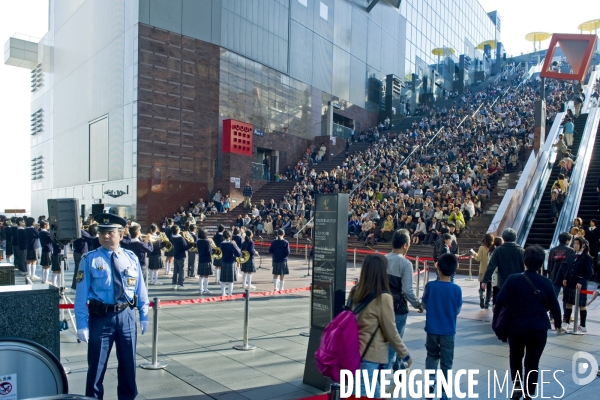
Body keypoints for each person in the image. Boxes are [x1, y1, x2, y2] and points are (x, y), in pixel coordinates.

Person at [74, 213, 149, 400]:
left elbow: (140, 288)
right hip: (101, 317)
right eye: (102, 232)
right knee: (96, 368)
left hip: (126, 316)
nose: (105, 236)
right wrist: (82, 323)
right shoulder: (89, 259)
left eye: (110, 232)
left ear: (121, 234)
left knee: (128, 365)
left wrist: (144, 313)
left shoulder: (131, 258)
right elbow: (81, 295)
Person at [495, 245, 562, 400]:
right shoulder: (545, 282)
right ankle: (528, 391)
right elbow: (554, 305)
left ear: (524, 261)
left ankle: (517, 387)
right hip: (538, 327)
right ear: (541, 263)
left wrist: (498, 317)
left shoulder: (513, 279)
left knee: (516, 357)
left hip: (516, 326)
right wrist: (557, 322)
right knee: (533, 360)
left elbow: (499, 300)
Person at [348, 254, 412, 396]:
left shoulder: (355, 291)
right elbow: (391, 331)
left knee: (360, 392)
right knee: (369, 393)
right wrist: (405, 354)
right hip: (369, 354)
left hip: (352, 352)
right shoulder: (383, 298)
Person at [422, 253, 462, 400]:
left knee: (432, 356)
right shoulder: (457, 290)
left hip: (431, 330)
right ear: (455, 269)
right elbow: (457, 310)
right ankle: (444, 393)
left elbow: (425, 304)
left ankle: (430, 386)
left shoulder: (430, 286)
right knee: (446, 362)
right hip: (448, 332)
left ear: (438, 268)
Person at [386, 229, 423, 372]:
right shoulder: (406, 263)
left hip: (382, 306)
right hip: (398, 307)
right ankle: (397, 367)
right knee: (396, 341)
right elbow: (408, 290)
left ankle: (393, 366)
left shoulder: (384, 259)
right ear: (405, 245)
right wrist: (417, 304)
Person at [561, 237, 594, 333]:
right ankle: (566, 323)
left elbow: (589, 273)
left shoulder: (587, 257)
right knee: (568, 303)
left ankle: (583, 325)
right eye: (574, 243)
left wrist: (581, 281)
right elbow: (568, 268)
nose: (574, 245)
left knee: (581, 305)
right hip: (570, 283)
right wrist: (565, 278)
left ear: (583, 245)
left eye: (577, 244)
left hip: (580, 285)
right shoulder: (572, 255)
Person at [482, 228, 524, 297]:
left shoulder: (498, 250)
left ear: (503, 237)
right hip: (517, 282)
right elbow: (524, 267)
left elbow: (491, 266)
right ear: (515, 237)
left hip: (502, 282)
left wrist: (485, 280)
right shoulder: (521, 250)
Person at [473, 233, 494, 309]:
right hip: (491, 271)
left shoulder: (481, 248)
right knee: (489, 287)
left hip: (482, 270)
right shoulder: (493, 247)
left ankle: (482, 296)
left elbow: (479, 258)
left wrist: (474, 254)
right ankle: (487, 303)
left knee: (482, 286)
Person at [219, 230, 241, 296]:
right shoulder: (231, 244)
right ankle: (229, 293)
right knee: (231, 280)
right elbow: (238, 254)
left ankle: (223, 293)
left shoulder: (221, 243)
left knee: (223, 279)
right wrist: (235, 245)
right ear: (229, 236)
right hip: (231, 262)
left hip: (223, 261)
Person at [169, 225, 192, 290]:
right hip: (181, 256)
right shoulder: (181, 238)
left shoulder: (172, 237)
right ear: (177, 230)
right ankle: (180, 284)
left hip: (176, 255)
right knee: (181, 270)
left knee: (175, 270)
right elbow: (185, 247)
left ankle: (174, 283)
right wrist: (191, 244)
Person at [195, 228, 213, 295]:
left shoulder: (198, 241)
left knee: (201, 275)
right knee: (206, 275)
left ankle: (200, 289)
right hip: (207, 259)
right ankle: (205, 289)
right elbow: (209, 252)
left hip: (201, 259)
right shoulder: (207, 241)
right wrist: (213, 250)